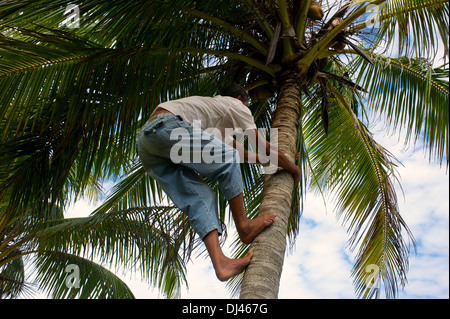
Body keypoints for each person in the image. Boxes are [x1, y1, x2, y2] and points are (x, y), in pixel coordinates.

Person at [136, 84, 301, 281]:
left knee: (200, 197)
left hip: (147, 145)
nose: (248, 112)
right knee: (228, 159)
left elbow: (245, 155)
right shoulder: (235, 105)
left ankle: (221, 264)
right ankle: (244, 226)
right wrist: (293, 169)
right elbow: (261, 146)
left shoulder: (213, 119)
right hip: (166, 127)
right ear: (240, 99)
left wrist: (281, 161)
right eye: (247, 105)